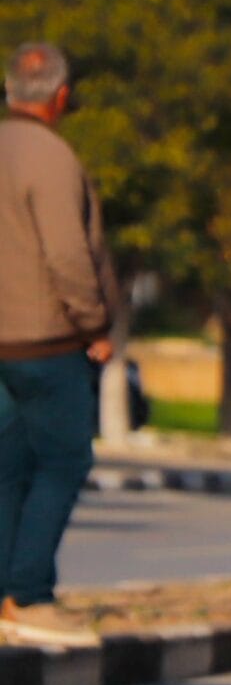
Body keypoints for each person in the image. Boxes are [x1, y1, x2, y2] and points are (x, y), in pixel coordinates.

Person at [0, 42, 115, 648]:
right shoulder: (51, 156)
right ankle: (32, 595)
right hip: (45, 340)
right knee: (65, 461)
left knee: (8, 467)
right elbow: (68, 254)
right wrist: (94, 324)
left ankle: (5, 596)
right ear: (62, 96)